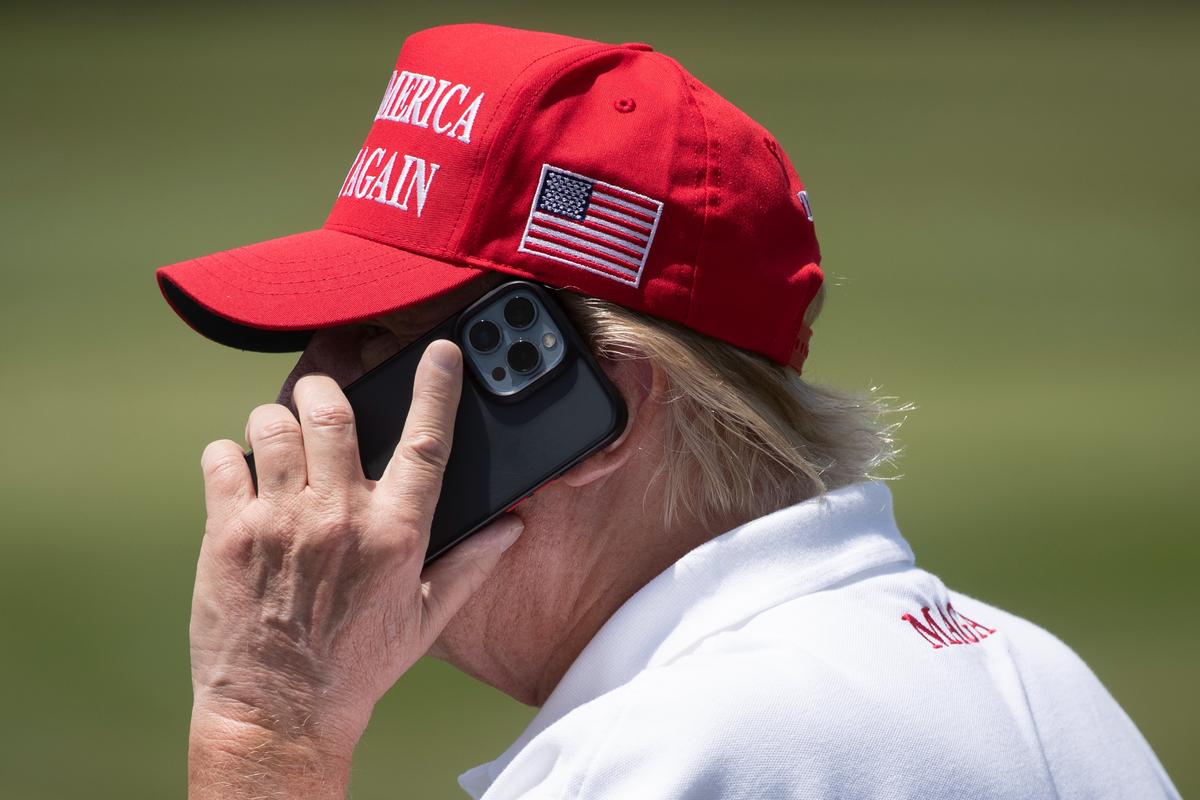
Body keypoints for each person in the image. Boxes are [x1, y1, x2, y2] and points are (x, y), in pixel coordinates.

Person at [159, 23, 1179, 800]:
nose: (300, 398)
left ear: (596, 399)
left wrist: (267, 731)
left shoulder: (672, 754)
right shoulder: (1027, 667)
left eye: (372, 343)